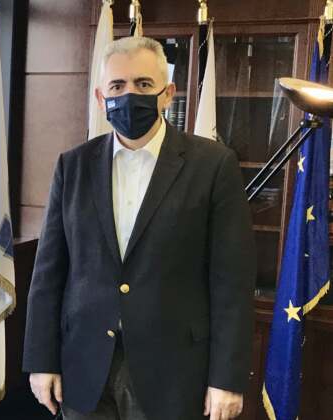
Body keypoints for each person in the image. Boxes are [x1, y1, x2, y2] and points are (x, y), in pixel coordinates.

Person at [23, 36, 256, 420]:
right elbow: (49, 272)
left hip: (173, 372)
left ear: (168, 94)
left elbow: (232, 281)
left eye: (143, 84)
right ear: (101, 98)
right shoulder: (73, 165)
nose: (129, 95)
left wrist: (227, 379)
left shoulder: (213, 166)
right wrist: (41, 360)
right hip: (83, 366)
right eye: (117, 86)